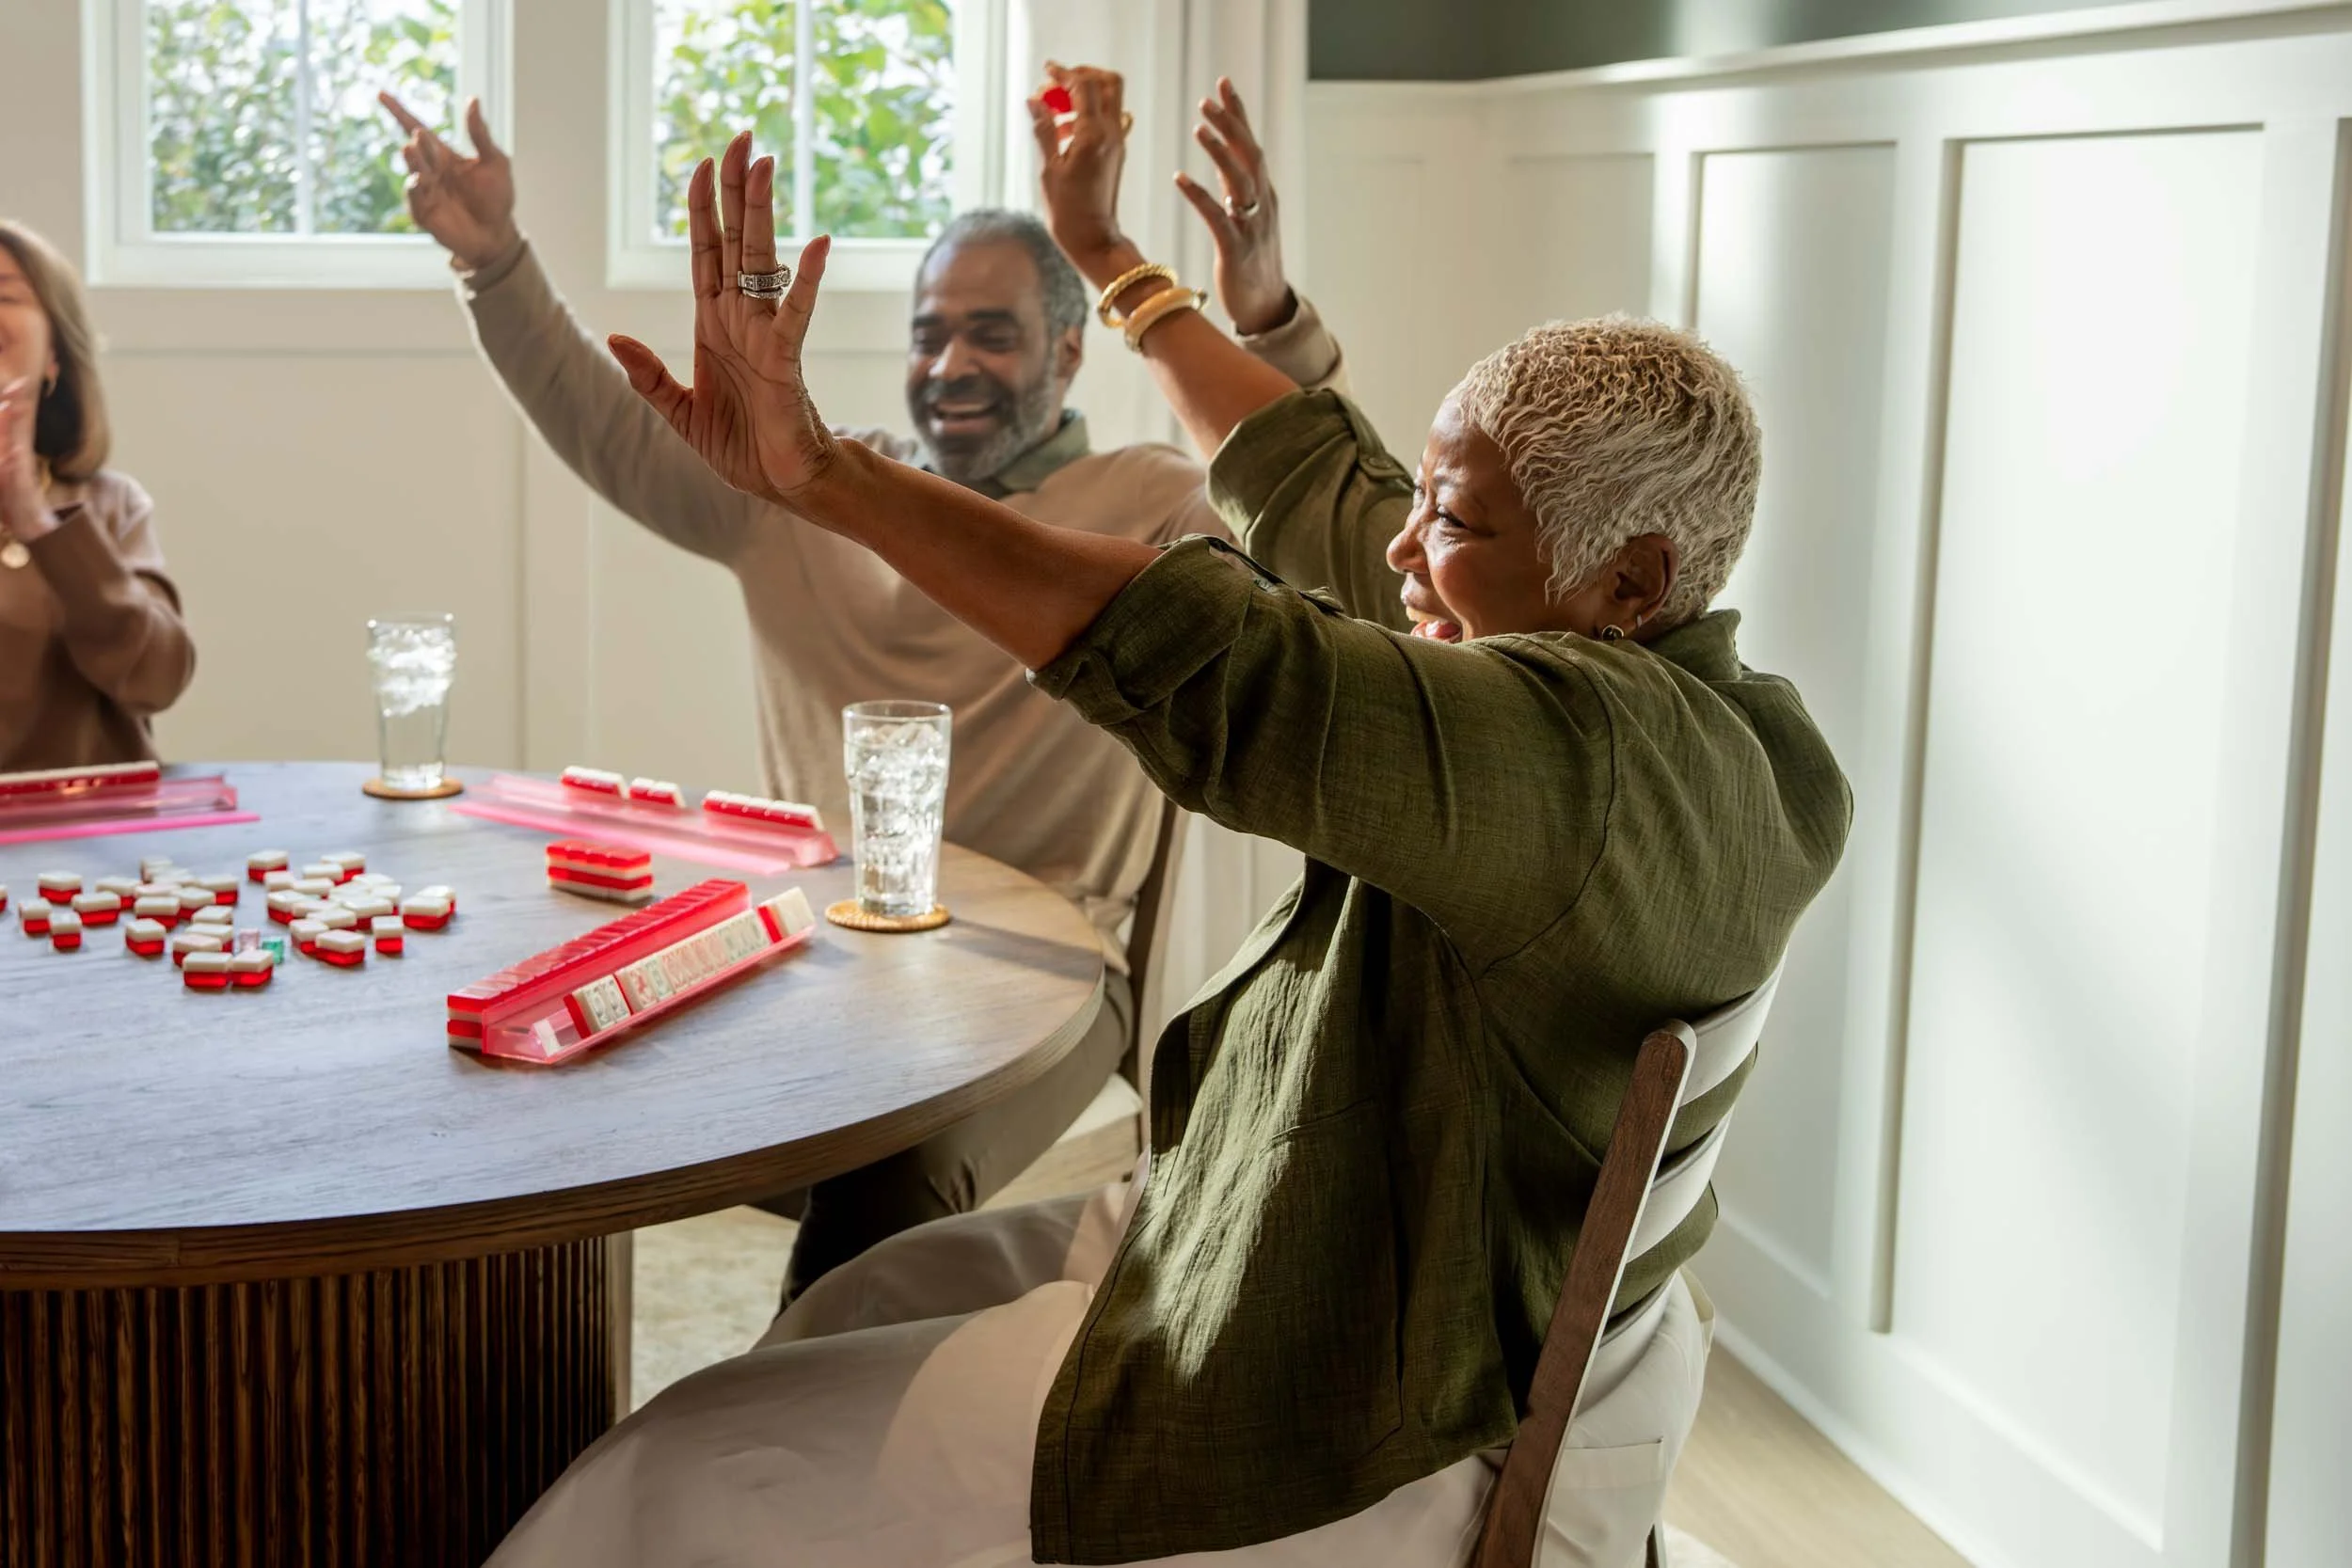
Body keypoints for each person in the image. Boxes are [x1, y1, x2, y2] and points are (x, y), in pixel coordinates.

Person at [486, 65, 1851, 1568]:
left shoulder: (1568, 769)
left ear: (1631, 581)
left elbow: (1226, 658)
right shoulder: (1723, 728)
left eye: (1457, 523)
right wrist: (1111, 252)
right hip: (1291, 1222)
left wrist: (825, 469)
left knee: (659, 1472)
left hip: (1337, 1396)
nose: (1406, 544)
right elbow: (1327, 486)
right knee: (846, 1305)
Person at [381, 89, 1349, 1305]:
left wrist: (1270, 320)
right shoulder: (816, 486)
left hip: (1049, 972)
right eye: (928, 332)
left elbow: (1308, 506)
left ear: (1066, 350)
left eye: (991, 334)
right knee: (553, 1076)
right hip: (817, 951)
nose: (950, 365)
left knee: (881, 1177)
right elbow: (607, 430)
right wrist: (495, 265)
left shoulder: (1147, 504)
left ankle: (784, 1473)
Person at [0, 223, 195, 772]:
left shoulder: (111, 506)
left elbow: (156, 682)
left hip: (88, 841)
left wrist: (40, 525)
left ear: (54, 357)